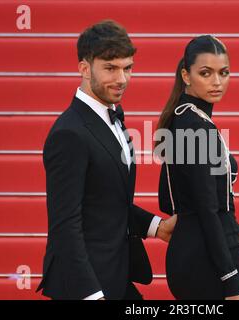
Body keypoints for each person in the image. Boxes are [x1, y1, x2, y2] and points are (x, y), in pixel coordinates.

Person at [36, 20, 176, 300]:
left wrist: (156, 227)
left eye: (128, 68)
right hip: (87, 286)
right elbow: (65, 227)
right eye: (111, 68)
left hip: (116, 276)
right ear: (85, 69)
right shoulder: (69, 134)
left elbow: (105, 201)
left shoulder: (112, 117)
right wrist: (91, 295)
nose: (122, 79)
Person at [156, 35, 239, 300]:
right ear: (186, 76)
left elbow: (169, 200)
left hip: (189, 253)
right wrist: (232, 283)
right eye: (206, 73)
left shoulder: (180, 118)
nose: (217, 82)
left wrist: (232, 230)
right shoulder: (197, 127)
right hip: (208, 264)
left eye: (224, 73)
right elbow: (207, 210)